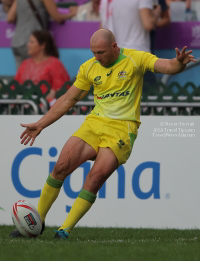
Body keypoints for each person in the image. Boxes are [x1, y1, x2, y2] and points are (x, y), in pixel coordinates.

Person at [9, 29, 196, 239]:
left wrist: (179, 63)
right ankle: (37, 223)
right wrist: (41, 124)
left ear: (114, 47)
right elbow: (68, 100)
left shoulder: (135, 59)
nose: (96, 57)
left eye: (100, 52)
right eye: (93, 53)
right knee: (61, 166)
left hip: (122, 129)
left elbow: (168, 66)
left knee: (95, 178)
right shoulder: (89, 68)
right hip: (95, 123)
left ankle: (64, 230)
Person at [7, 0, 77, 70]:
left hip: (16, 43)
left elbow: (10, 18)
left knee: (21, 78)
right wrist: (72, 13)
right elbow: (57, 18)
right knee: (35, 77)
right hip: (33, 43)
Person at [14, 30, 70, 106]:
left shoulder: (55, 64)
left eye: (32, 42)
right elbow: (15, 86)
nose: (28, 45)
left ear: (42, 45)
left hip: (45, 109)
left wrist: (54, 92)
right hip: (22, 107)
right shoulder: (25, 63)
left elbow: (62, 88)